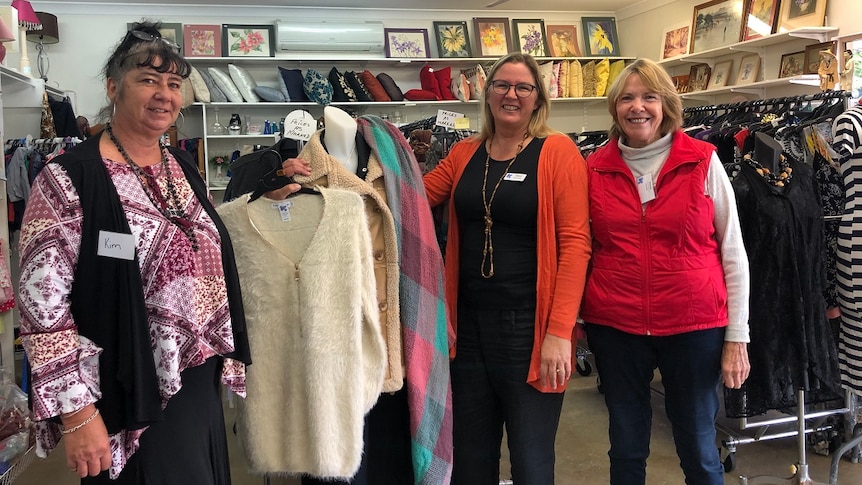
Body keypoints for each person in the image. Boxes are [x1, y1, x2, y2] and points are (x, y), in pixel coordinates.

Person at [17, 21, 251, 484]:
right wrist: (78, 414)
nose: (164, 94)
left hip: (194, 376)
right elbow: (42, 309)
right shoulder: (68, 179)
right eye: (147, 80)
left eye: (173, 83)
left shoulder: (183, 165)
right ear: (113, 87)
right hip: (126, 386)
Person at [423, 52, 591, 484]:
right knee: (470, 458)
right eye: (501, 85)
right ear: (488, 93)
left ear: (538, 99)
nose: (511, 94)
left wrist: (559, 333)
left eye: (523, 87)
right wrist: (338, 174)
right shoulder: (463, 153)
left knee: (531, 461)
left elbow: (576, 245)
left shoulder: (558, 152)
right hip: (468, 330)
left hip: (529, 330)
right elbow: (412, 197)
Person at [581, 58, 751, 484]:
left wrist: (737, 336)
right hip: (615, 325)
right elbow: (581, 249)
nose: (638, 107)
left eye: (649, 97)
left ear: (666, 105)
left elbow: (733, 251)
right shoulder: (594, 169)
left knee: (697, 444)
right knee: (626, 444)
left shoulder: (703, 161)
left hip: (694, 326)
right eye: (627, 98)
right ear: (614, 108)